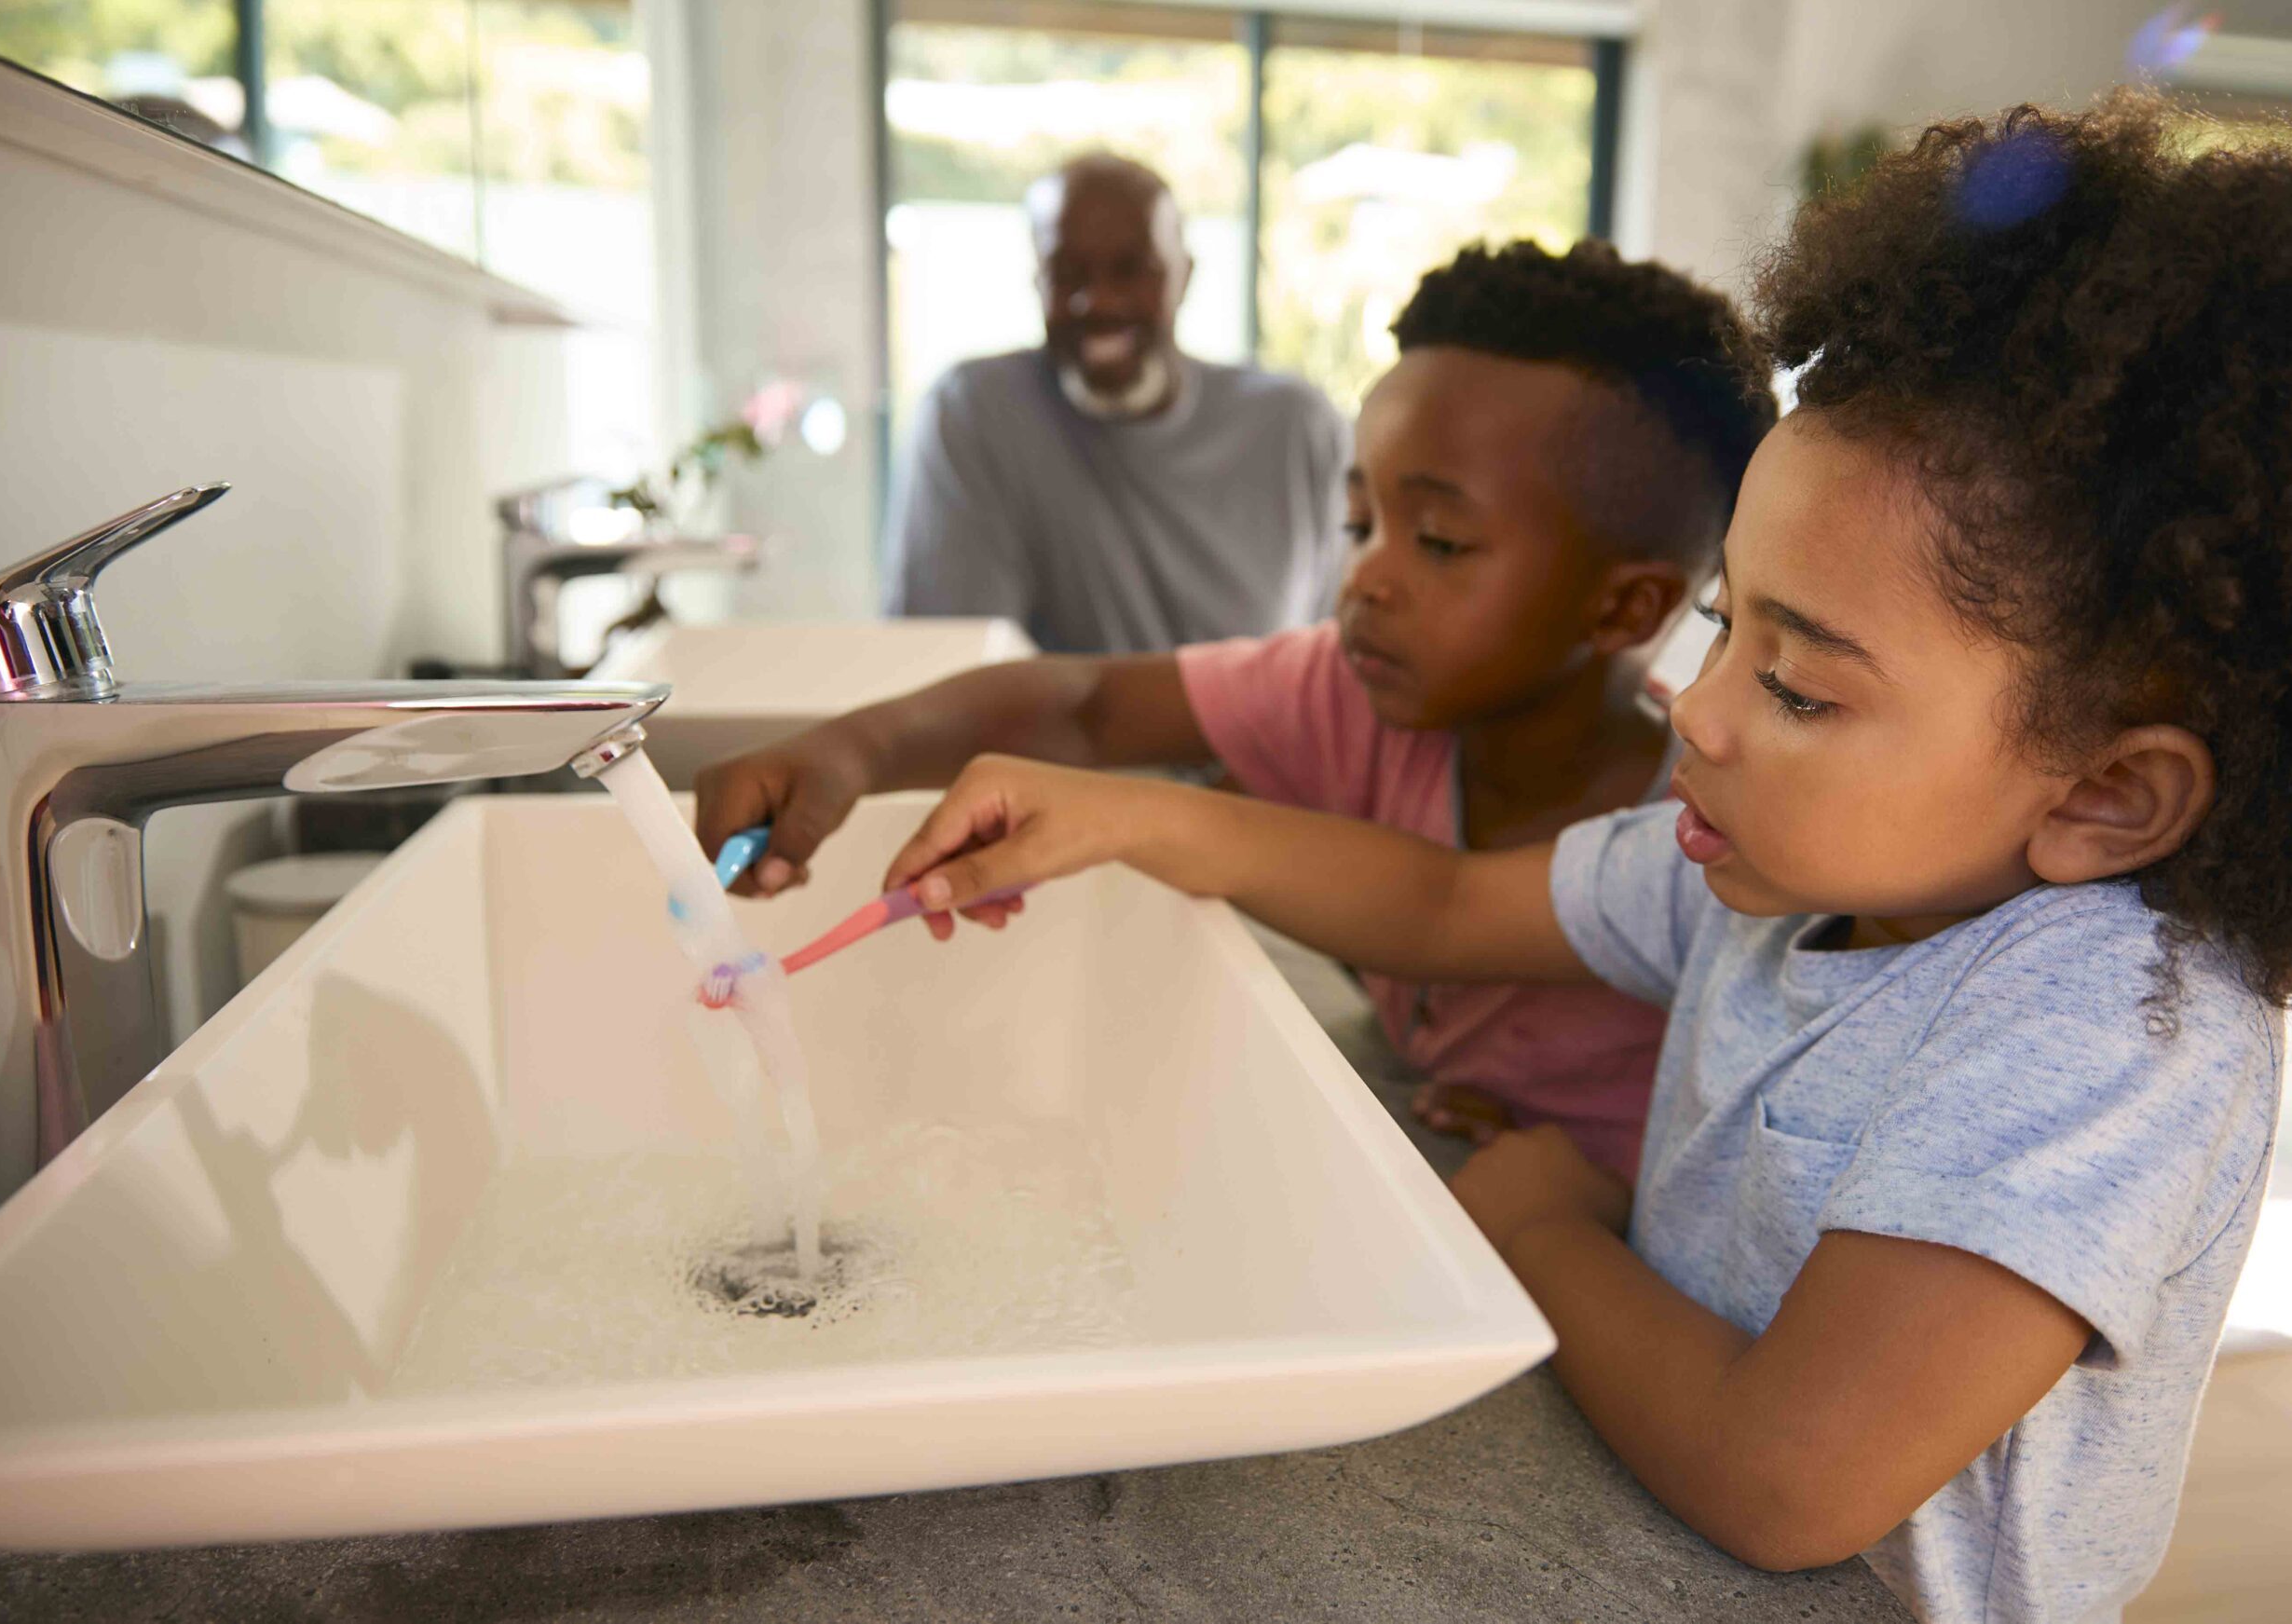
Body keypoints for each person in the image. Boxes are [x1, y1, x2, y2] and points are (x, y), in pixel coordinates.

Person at [875, 97, 2292, 1619]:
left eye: (1801, 686)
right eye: (1727, 623)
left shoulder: (2107, 1029)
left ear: (2108, 795)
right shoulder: (1778, 867)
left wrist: (1547, 1224)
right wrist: (1130, 813)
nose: (1693, 706)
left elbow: (1784, 1475)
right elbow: (1436, 900)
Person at [703, 239, 1777, 1177]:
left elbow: (1709, 1170)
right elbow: (1084, 706)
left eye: (1439, 542)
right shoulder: (1349, 693)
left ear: (1623, 605)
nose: (1365, 579)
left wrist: (1571, 1171)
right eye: (1361, 524)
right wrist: (856, 746)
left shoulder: (1711, 852)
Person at [881, 152, 1347, 654]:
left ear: (1183, 276)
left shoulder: (1298, 430)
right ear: (1037, 280)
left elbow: (1335, 669)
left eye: (1131, 270)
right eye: (1067, 273)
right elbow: (955, 677)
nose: (1098, 302)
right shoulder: (975, 415)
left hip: (1260, 736)